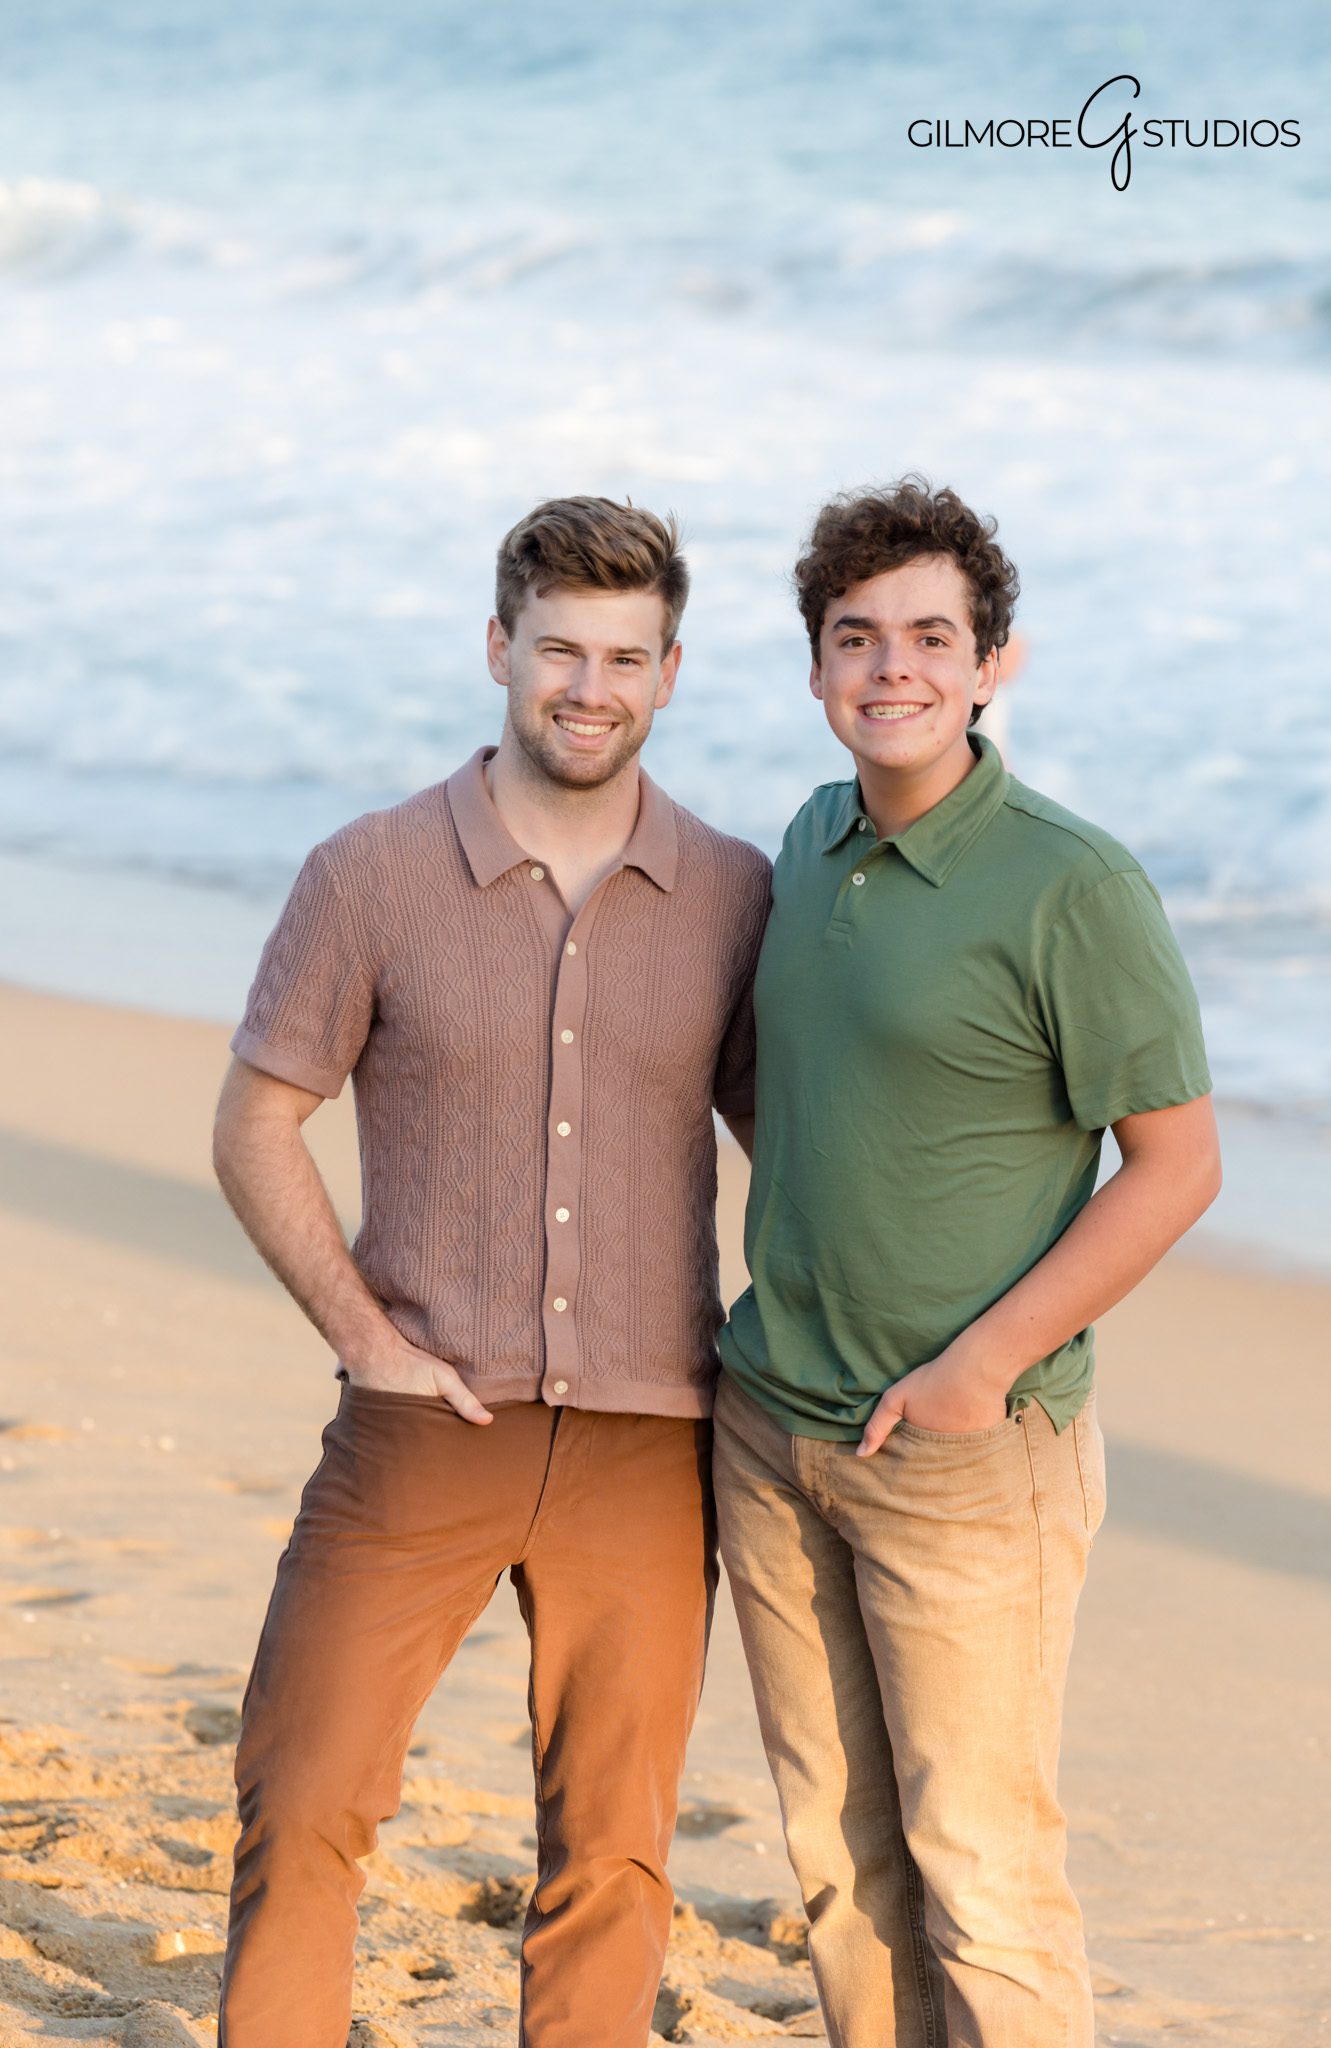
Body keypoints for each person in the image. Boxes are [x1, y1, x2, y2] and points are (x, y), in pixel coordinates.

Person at [211, 496, 771, 2048]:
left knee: (613, 1856)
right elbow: (257, 1124)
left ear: (670, 674)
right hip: (416, 1427)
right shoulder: (370, 872)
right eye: (558, 651)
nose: (588, 686)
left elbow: (799, 1145)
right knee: (303, 1800)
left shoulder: (734, 892)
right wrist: (365, 1338)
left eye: (624, 657)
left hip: (650, 1450)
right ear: (496, 650)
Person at [714, 477, 1221, 2048]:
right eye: (854, 638)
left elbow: (1177, 1166)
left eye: (930, 636)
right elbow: (777, 1079)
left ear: (993, 663)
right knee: (836, 1863)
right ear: (811, 670)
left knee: (980, 1871)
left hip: (966, 1455)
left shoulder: (1074, 887)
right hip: (773, 1425)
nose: (891, 670)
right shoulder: (806, 841)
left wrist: (972, 1369)